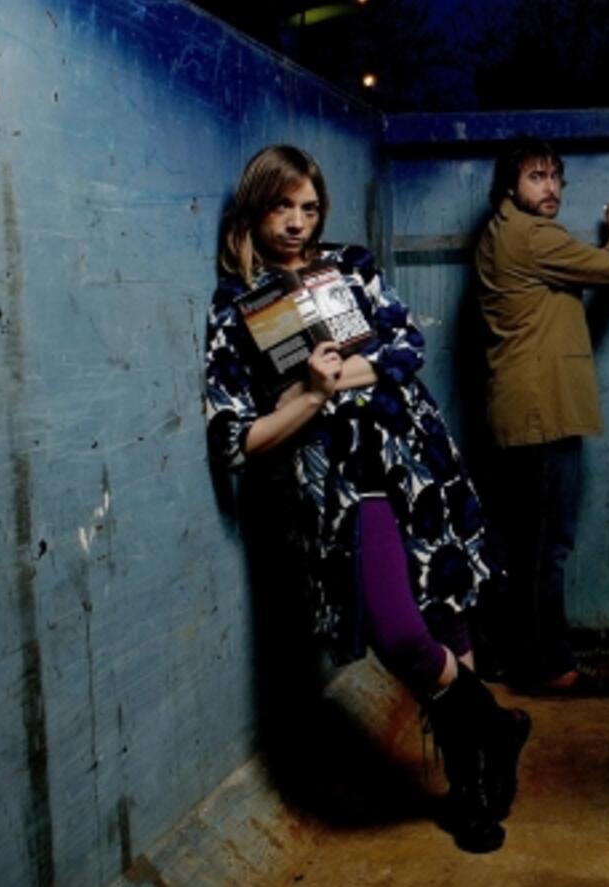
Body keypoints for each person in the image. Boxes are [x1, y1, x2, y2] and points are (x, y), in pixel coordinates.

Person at [202, 145, 530, 854]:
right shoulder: (236, 306)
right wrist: (311, 395)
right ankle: (495, 726)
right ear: (254, 208)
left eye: (309, 207)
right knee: (399, 631)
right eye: (281, 206)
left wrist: (322, 382)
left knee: (445, 611)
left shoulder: (349, 265)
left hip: (415, 455)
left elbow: (406, 347)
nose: (297, 222)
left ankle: (469, 783)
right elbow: (234, 437)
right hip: (341, 484)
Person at [474, 138, 609, 696]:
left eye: (555, 178)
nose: (550, 188)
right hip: (542, 411)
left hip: (520, 409)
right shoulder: (533, 235)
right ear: (510, 186)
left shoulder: (499, 231)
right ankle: (550, 667)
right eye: (536, 177)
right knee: (546, 547)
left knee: (520, 544)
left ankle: (504, 654)